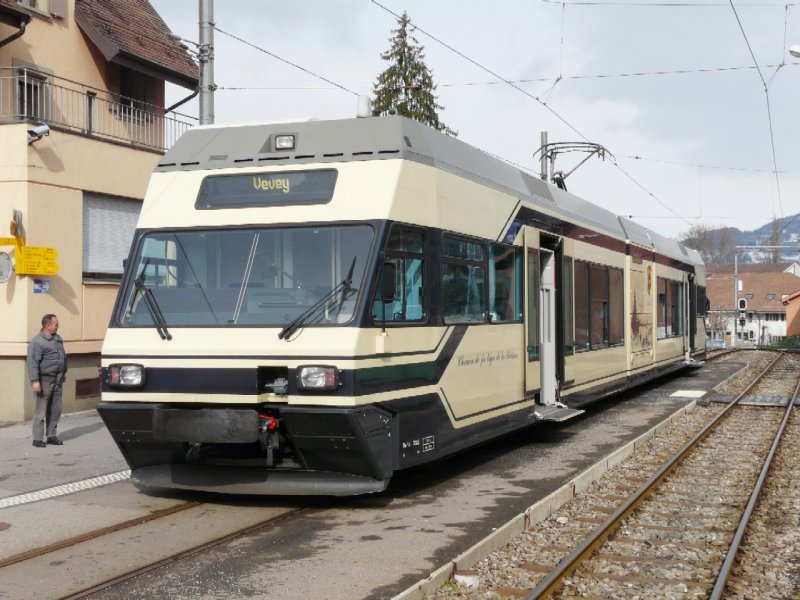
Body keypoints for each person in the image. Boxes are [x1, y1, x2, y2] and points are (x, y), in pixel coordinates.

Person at [27, 314, 67, 448]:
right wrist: (34, 381)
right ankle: (37, 439)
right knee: (40, 411)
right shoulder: (37, 342)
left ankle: (51, 436)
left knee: (55, 410)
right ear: (47, 325)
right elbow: (32, 363)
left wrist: (63, 372)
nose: (58, 326)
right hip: (44, 380)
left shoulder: (57, 339)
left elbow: (62, 356)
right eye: (56, 324)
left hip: (57, 380)